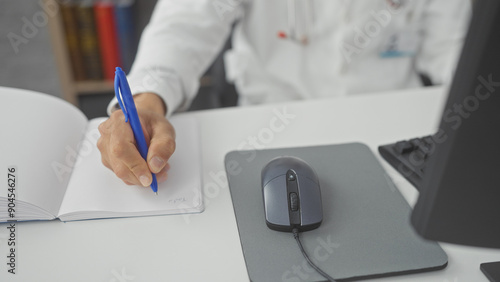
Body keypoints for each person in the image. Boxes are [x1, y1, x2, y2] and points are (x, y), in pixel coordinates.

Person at [97, 0, 471, 187]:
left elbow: (454, 49)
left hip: (395, 131)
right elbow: (185, 26)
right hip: (276, 127)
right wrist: (148, 101)